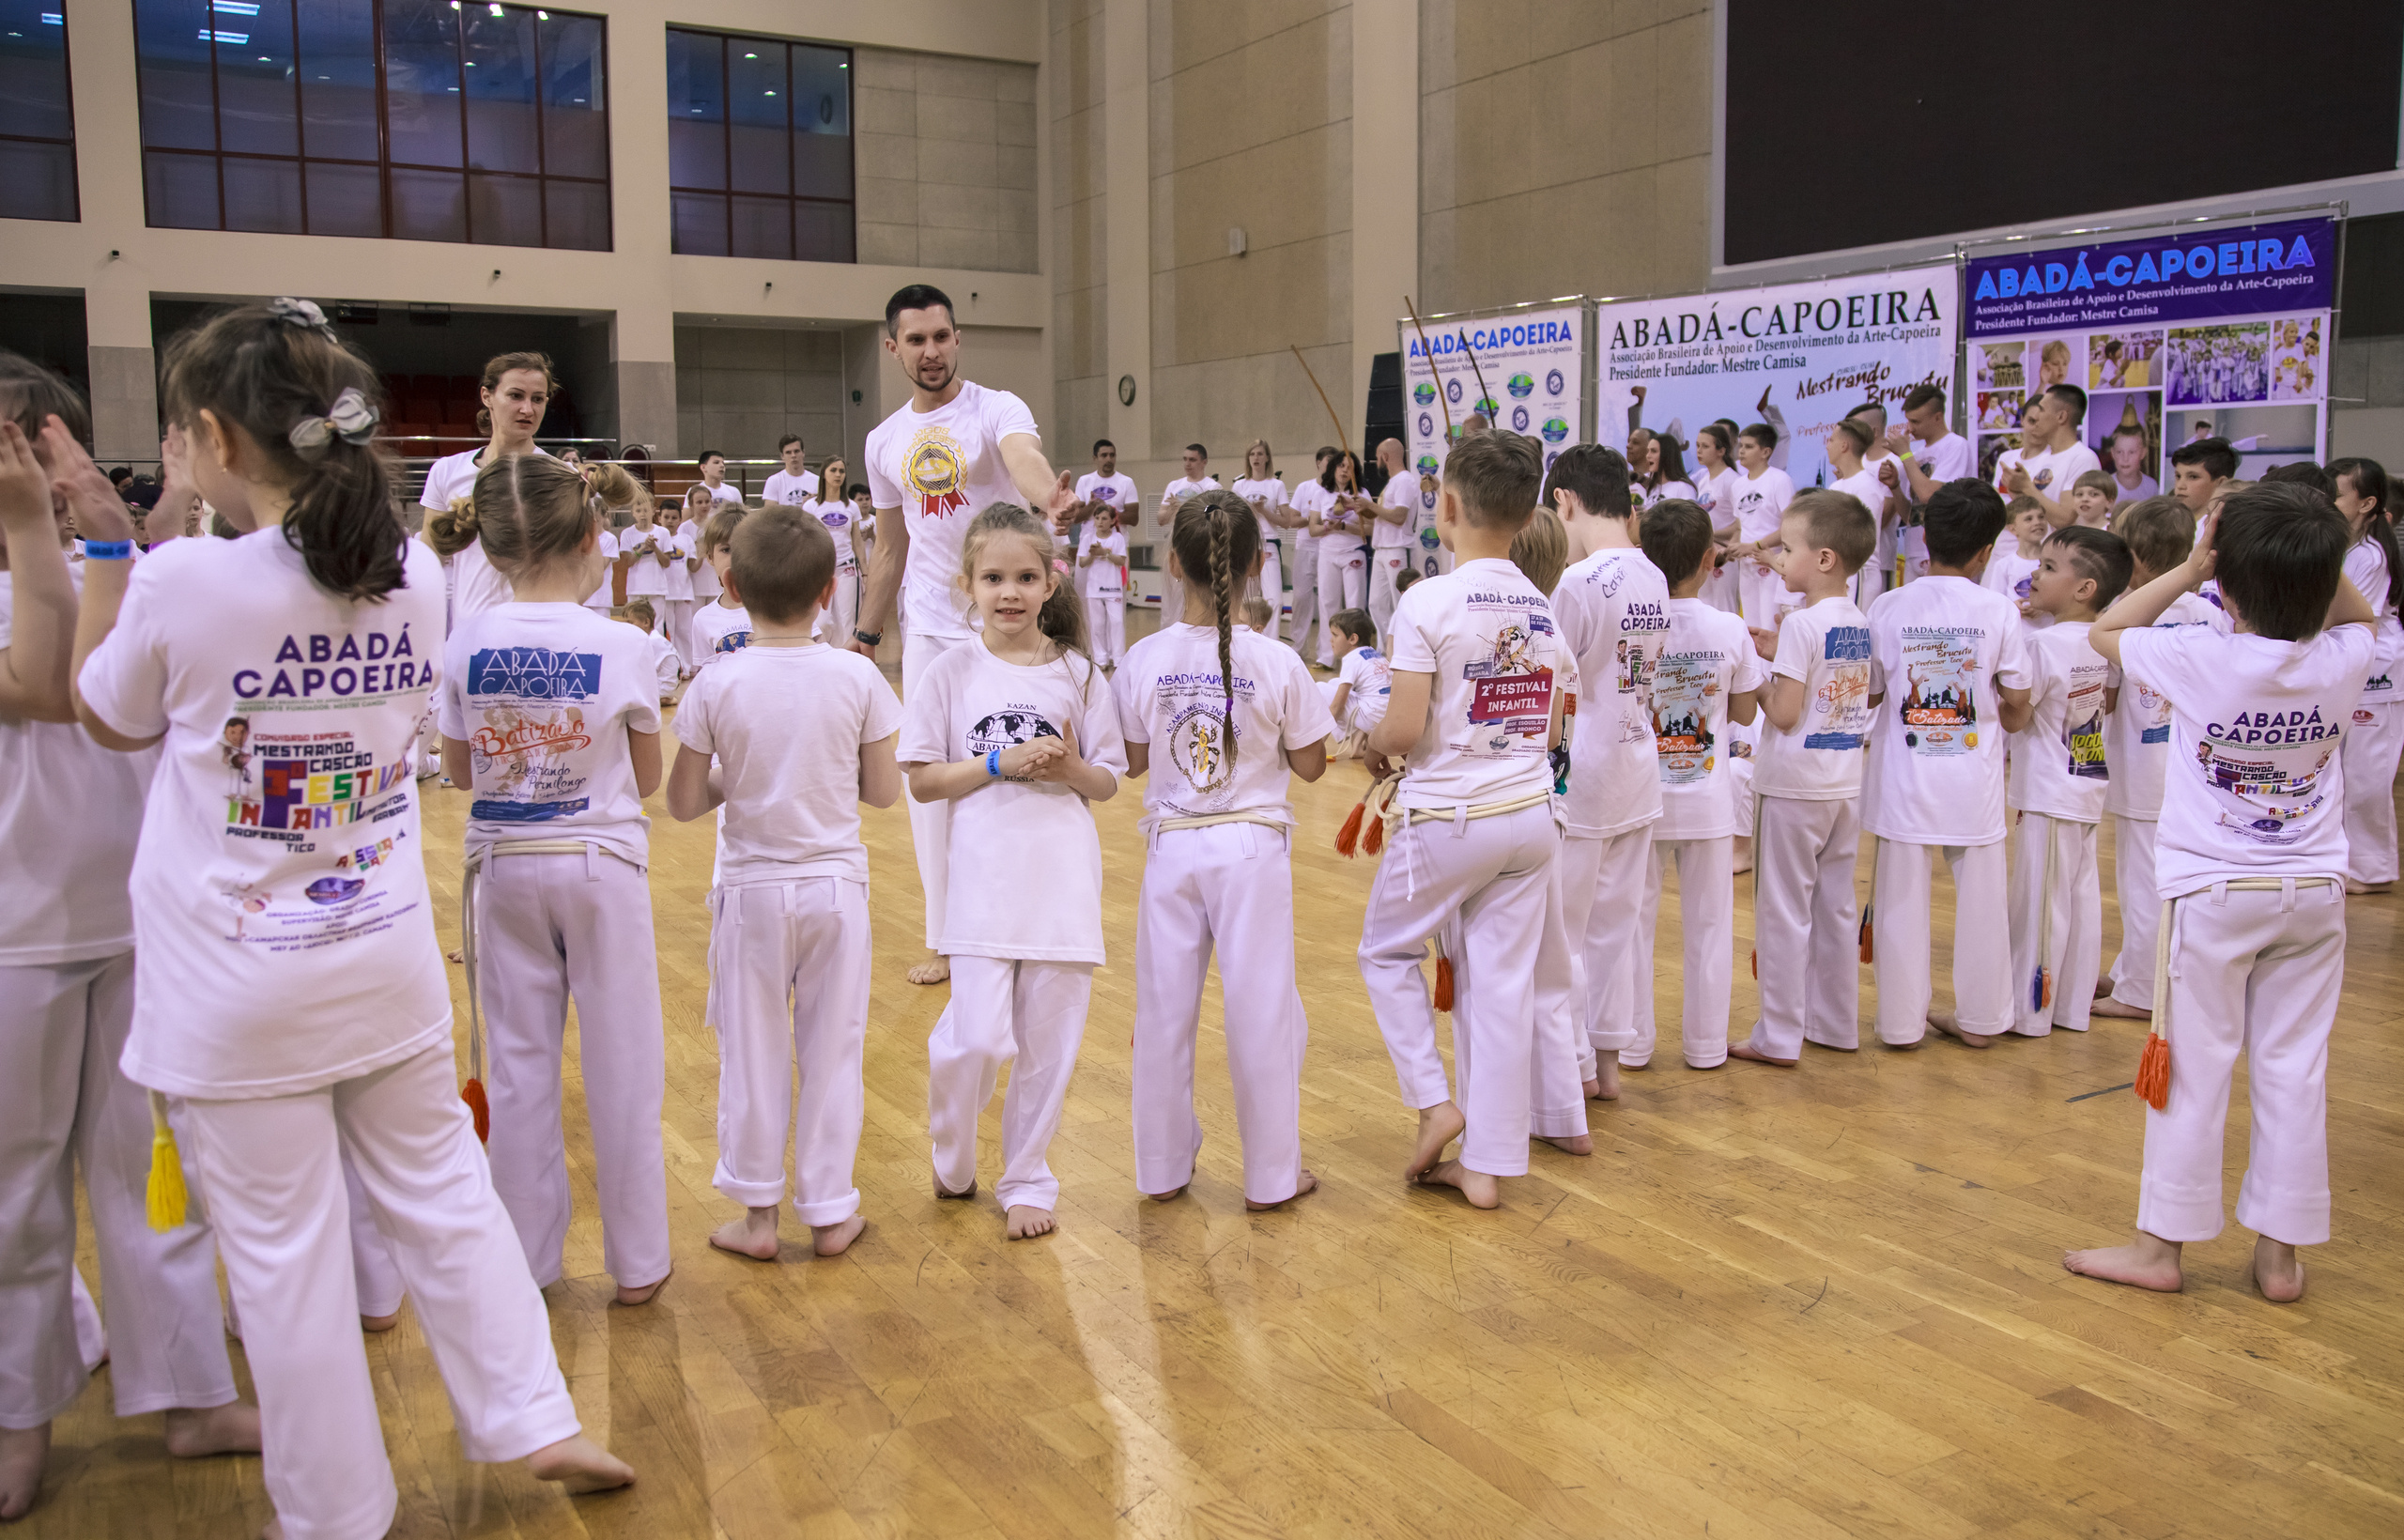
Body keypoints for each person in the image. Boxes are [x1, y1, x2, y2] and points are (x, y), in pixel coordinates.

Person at [68, 299, 630, 1540]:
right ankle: (535, 1414)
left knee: (283, 1256)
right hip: (378, 951)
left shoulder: (185, 580)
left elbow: (106, 715)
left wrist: (109, 555)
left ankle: (335, 1512)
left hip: (236, 981)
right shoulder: (414, 574)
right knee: (444, 1193)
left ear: (211, 435)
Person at [0, 365, 262, 1524]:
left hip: (144, 918)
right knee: (16, 1193)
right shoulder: (94, 572)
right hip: (15, 928)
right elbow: (56, 691)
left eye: (44, 444)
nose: (44, 472)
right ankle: (20, 1412)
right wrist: (71, 545)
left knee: (157, 1176)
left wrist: (119, 544)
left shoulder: (138, 574)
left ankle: (188, 1388)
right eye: (21, 452)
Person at [2068, 483, 2376, 1304]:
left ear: (2225, 585)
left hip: (2213, 890)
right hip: (2313, 889)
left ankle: (2159, 1247)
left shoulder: (2202, 655)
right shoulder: (2346, 656)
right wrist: (2321, 552)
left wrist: (2197, 563)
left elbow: (2107, 630)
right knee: (2294, 1067)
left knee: (2194, 1068)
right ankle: (2279, 1259)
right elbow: (2357, 618)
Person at [436, 453, 671, 1307]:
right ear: (591, 536)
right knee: (624, 1064)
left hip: (503, 864)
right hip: (599, 863)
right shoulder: (623, 641)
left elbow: (458, 771)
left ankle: (530, 1264)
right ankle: (639, 1261)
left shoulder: (465, 641)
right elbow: (646, 780)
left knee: (521, 1068)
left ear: (491, 550)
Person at [665, 507, 902, 1263]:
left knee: (753, 1049)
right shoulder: (858, 673)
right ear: (831, 590)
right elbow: (882, 792)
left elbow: (680, 802)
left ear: (729, 584)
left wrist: (743, 776)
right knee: (835, 1048)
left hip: (753, 890)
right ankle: (830, 1213)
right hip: (835, 886)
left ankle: (759, 1218)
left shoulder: (715, 681)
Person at [898, 502, 1123, 1240]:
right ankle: (951, 1151)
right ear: (966, 582)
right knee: (976, 1039)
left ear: (1050, 582)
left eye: (1026, 577)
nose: (1010, 592)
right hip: (983, 884)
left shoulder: (1080, 674)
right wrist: (998, 762)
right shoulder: (949, 672)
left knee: (1048, 1046)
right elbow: (924, 781)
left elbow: (1108, 784)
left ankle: (1028, 1176)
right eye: (993, 577)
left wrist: (1071, 766)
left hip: (1060, 881)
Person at [1355, 432, 1562, 1210]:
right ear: (1528, 512)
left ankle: (1434, 1102)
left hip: (1450, 818)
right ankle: (1486, 1168)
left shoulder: (1428, 599)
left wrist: (1368, 744)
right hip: (1532, 815)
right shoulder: (1540, 602)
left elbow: (1403, 731)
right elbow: (1545, 728)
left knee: (1385, 953)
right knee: (1500, 987)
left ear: (1443, 506)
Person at [855, 284, 1076, 989]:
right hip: (928, 633)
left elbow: (1022, 457)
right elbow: (890, 547)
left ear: (958, 338)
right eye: (915, 340)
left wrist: (1049, 498)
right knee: (930, 788)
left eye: (942, 336)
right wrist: (865, 633)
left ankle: (1023, 925)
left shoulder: (995, 407)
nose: (931, 351)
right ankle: (948, 938)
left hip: (1005, 629)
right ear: (893, 347)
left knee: (1016, 774)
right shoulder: (883, 440)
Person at [1116, 489, 1333, 1210]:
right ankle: (1272, 1177)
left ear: (1172, 565)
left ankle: (1160, 1169)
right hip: (1250, 850)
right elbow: (1310, 766)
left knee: (1163, 1014)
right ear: (1258, 566)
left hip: (1173, 848)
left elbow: (1137, 760)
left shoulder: (1143, 658)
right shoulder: (1277, 661)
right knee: (1261, 1011)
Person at [1858, 479, 2031, 1051]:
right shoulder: (1999, 609)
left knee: (1900, 902)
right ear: (1988, 551)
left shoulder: (1888, 605)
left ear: (1925, 538)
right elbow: (2015, 702)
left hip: (1904, 778)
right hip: (1971, 778)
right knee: (1984, 902)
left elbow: (1875, 694)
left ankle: (1900, 1026)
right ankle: (1983, 1020)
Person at [1729, 491, 1876, 1067]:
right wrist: (1776, 656)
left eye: (1787, 549)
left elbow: (1785, 713)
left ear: (1824, 559)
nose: (1778, 558)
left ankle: (1780, 1034)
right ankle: (1836, 1024)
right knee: (1836, 905)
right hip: (1843, 780)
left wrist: (1756, 673)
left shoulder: (1802, 623)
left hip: (1794, 785)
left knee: (1784, 909)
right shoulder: (1857, 620)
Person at [1549, 445, 1671, 1084]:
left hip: (1587, 772)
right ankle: (1607, 1065)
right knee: (1615, 927)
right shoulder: (1653, 574)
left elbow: (1556, 685)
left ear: (1566, 502)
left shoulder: (1580, 582)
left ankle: (1572, 1069)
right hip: (1636, 764)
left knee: (1568, 930)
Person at [1635, 499, 1764, 1070]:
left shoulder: (1634, 627)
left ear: (1643, 556)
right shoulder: (1729, 627)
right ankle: (1707, 1045)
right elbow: (1739, 711)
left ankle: (1631, 1045)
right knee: (1711, 926)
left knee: (1630, 923)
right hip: (1707, 795)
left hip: (1641, 795)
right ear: (1712, 559)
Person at [2006, 526, 2132, 1038]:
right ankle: (2071, 1008)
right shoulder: (2107, 641)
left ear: (2085, 589)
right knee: (2079, 902)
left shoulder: (2043, 646)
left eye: (2050, 568)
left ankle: (2026, 1013)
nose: (2035, 574)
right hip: (2087, 778)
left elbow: (2016, 717)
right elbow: (2109, 703)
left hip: (2050, 789)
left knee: (2039, 905)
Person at [2093, 498, 2214, 1020]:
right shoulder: (2211, 613)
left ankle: (2140, 990)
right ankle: (2135, 968)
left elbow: (2110, 697)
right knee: (2169, 879)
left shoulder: (2125, 619)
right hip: (2196, 769)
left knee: (2142, 882)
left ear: (2135, 558)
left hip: (2144, 775)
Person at [419, 351, 558, 624]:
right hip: (466, 633)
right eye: (516, 395)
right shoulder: (447, 471)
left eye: (538, 399)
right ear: (487, 396)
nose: (528, 409)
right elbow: (429, 560)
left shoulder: (561, 476)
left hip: (536, 635)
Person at [2330, 457, 2402, 894]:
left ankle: (2374, 870)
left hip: (2377, 673)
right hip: (2351, 665)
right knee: (2347, 773)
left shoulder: (2371, 555)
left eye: (2338, 494)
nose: (2331, 501)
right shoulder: (2345, 547)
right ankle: (2351, 861)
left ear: (2366, 503)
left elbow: (2355, 617)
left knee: (2368, 777)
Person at [1725, 422, 1796, 628]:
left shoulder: (1780, 480)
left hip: (1771, 563)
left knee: (1770, 625)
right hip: (1747, 566)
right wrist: (1733, 547)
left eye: (1748, 446)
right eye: (1741, 445)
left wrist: (1755, 546)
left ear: (1765, 452)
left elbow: (1789, 527)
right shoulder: (1737, 485)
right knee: (1750, 626)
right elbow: (1740, 527)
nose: (1741, 451)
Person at [2001, 385, 2102, 528]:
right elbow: (2035, 510)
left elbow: (2065, 518)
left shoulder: (2083, 458)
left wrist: (2026, 487)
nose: (2036, 417)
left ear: (2061, 417)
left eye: (2042, 410)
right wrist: (2016, 492)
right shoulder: (2043, 458)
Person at [1311, 450, 1373, 668]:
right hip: (1328, 552)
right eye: (1341, 466)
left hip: (1353, 552)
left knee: (1355, 605)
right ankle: (1326, 657)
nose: (1345, 470)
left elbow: (1371, 528)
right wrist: (1327, 526)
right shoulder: (1321, 494)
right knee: (1327, 603)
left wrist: (1346, 525)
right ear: (1334, 468)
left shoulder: (1361, 494)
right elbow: (1313, 529)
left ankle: (1356, 659)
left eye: (1350, 467)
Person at [1231, 440, 1293, 642]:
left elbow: (1287, 521)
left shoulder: (1277, 485)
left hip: (1268, 545)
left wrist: (1263, 510)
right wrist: (1249, 510)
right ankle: (1244, 640)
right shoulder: (1239, 485)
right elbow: (1232, 517)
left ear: (1267, 458)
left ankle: (1271, 642)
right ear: (1248, 459)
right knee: (1244, 597)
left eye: (1260, 454)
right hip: (1245, 544)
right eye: (1252, 454)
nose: (1256, 458)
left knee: (1274, 598)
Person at [1824, 419, 1888, 606]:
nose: (1828, 446)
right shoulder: (1836, 486)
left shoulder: (1867, 486)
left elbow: (1861, 536)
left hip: (1860, 573)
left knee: (1855, 633)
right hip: (1840, 572)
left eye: (1831, 440)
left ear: (1844, 445)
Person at [1159, 443, 1220, 624]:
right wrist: (1172, 509)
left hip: (1199, 544)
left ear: (1204, 462)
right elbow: (1161, 518)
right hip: (1175, 542)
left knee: (1195, 592)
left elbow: (1214, 517)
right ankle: (1168, 635)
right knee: (1171, 596)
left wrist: (1183, 509)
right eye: (1185, 459)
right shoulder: (1174, 485)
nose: (1187, 464)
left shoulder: (1212, 486)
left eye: (1192, 460)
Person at [804, 456, 862, 646]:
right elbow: (805, 539)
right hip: (819, 570)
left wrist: (867, 573)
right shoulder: (811, 507)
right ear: (823, 474)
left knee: (847, 620)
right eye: (833, 470)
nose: (838, 474)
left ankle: (845, 662)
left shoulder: (851, 506)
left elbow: (857, 541)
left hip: (847, 568)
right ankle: (822, 658)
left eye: (842, 471)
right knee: (822, 621)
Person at [618, 489, 678, 670]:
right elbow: (628, 562)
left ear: (653, 511)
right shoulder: (627, 534)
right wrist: (644, 547)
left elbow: (666, 562)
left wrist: (656, 548)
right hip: (636, 587)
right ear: (633, 512)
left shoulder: (663, 533)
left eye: (645, 510)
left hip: (657, 586)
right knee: (633, 625)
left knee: (656, 627)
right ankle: (635, 663)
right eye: (638, 511)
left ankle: (657, 665)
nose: (642, 514)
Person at [1321, 607, 1389, 759]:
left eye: (1335, 635)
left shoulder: (1352, 658)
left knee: (1320, 689)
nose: (1331, 640)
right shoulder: (1375, 655)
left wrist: (1318, 746)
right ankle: (1357, 747)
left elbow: (1337, 707)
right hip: (1385, 720)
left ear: (1352, 639)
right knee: (1334, 683)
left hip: (1372, 719)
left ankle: (1357, 741)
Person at [1285, 447, 1333, 660]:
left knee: (1327, 599)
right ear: (1318, 463)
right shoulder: (1305, 488)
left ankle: (1327, 652)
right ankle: (1298, 648)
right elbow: (1292, 520)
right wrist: (1315, 518)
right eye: (1327, 461)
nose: (1331, 466)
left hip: (1329, 547)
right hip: (1305, 546)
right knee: (1301, 598)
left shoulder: (1337, 490)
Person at [691, 505, 754, 665]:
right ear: (710, 557)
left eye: (744, 549)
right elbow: (705, 677)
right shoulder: (703, 619)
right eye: (726, 550)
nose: (735, 558)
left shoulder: (778, 606)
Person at [1367, 439, 1417, 635]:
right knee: (1376, 603)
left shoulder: (1404, 480)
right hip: (1381, 549)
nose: (1376, 462)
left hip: (1397, 547)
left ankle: (1404, 647)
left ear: (1385, 457)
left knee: (1400, 602)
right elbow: (1384, 515)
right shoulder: (1392, 482)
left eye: (1377, 458)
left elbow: (1399, 516)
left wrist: (1370, 505)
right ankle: (1385, 649)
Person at [1983, 495, 2050, 626]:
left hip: (2048, 631)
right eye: (2028, 519)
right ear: (2013, 529)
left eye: (2041, 517)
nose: (2037, 522)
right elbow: (1995, 603)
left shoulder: (2054, 563)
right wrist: (2013, 608)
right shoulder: (2004, 565)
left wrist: (2044, 607)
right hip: (2019, 634)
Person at [1078, 501, 1129, 667]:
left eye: (1105, 518)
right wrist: (1093, 555)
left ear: (1113, 521)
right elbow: (1082, 563)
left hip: (1113, 588)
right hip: (1094, 589)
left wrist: (1105, 553)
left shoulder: (1117, 538)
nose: (1100, 521)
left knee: (1117, 623)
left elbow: (1121, 560)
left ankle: (1118, 658)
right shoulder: (1088, 539)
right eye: (1097, 518)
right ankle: (1101, 658)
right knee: (1097, 625)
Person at [624, 597, 682, 702]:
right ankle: (665, 698)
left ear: (646, 622)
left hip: (662, 689)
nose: (627, 627)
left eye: (630, 622)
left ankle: (660, 698)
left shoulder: (651, 642)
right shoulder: (656, 639)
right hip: (667, 689)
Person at [2169, 436, 2236, 515]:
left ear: (2221, 483)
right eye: (2178, 476)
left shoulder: (2232, 526)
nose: (2180, 486)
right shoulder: (2167, 523)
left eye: (2193, 477)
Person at [2106, 421, 2159, 502]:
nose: (2125, 458)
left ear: (2143, 453)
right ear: (2113, 453)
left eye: (2131, 452)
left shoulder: (2151, 487)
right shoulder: (2106, 486)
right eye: (2119, 452)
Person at [761, 434, 819, 507]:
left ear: (803, 453)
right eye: (788, 452)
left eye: (796, 451)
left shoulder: (817, 481)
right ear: (782, 456)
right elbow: (770, 514)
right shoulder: (774, 481)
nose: (793, 456)